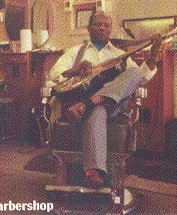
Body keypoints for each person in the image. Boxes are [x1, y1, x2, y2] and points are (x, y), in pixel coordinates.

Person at [48, 13, 161, 189]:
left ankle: (89, 104)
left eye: (106, 26)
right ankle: (94, 172)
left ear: (110, 30)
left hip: (112, 104)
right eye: (98, 25)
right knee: (98, 110)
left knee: (134, 72)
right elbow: (54, 75)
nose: (102, 28)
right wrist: (75, 70)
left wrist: (153, 57)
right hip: (88, 102)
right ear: (89, 28)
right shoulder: (75, 52)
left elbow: (141, 78)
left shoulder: (120, 55)